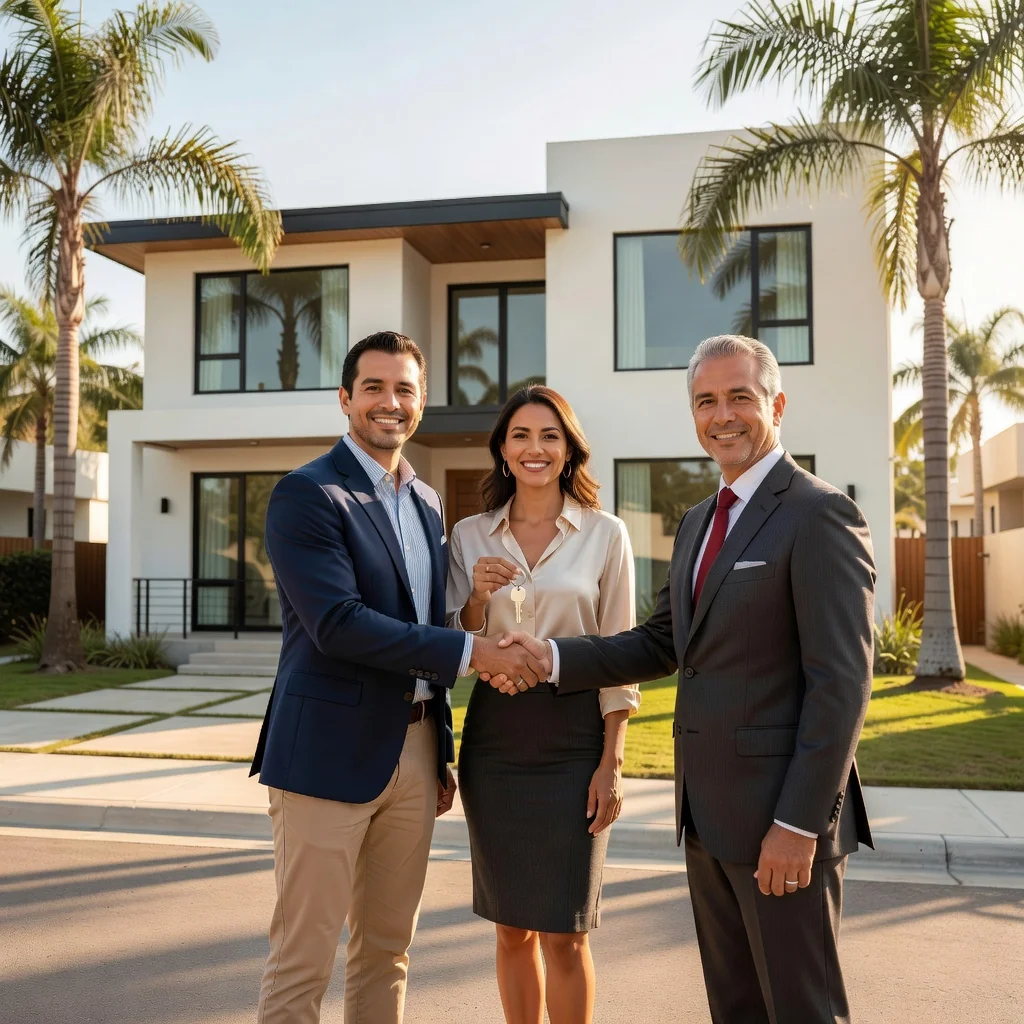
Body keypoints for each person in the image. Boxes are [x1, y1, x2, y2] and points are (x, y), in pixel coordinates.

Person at [491, 335, 876, 1024]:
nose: (721, 415)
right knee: (736, 1008)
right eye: (705, 401)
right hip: (706, 816)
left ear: (777, 404)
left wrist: (797, 822)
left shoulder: (820, 514)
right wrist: (553, 658)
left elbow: (841, 685)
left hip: (780, 823)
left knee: (802, 1008)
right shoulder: (700, 521)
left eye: (739, 398)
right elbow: (665, 642)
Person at [250, 331, 545, 1024]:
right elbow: (341, 625)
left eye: (405, 389)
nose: (391, 402)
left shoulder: (426, 504)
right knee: (305, 955)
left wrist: (437, 748)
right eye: (375, 388)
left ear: (420, 403)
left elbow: (424, 620)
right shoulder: (308, 494)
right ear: (346, 398)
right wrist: (474, 652)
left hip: (412, 751)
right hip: (324, 753)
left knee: (389, 948)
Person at [447, 384, 640, 1024]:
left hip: (575, 738)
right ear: (503, 449)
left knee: (567, 930)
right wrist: (475, 598)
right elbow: (450, 640)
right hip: (495, 741)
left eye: (550, 436)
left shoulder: (605, 535)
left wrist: (612, 762)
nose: (535, 448)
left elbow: (621, 655)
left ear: (568, 450)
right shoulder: (469, 535)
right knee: (510, 929)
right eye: (522, 435)